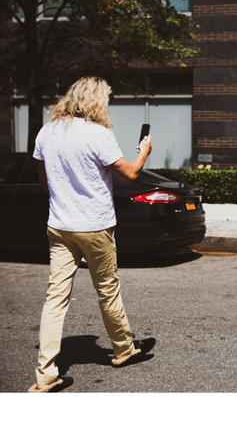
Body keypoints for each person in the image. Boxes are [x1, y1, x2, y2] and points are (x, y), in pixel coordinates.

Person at [29, 76, 155, 393]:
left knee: (55, 299)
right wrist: (143, 152)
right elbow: (130, 173)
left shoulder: (47, 130)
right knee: (107, 289)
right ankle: (124, 349)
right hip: (95, 226)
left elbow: (45, 184)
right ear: (97, 101)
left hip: (59, 226)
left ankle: (45, 374)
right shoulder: (99, 134)